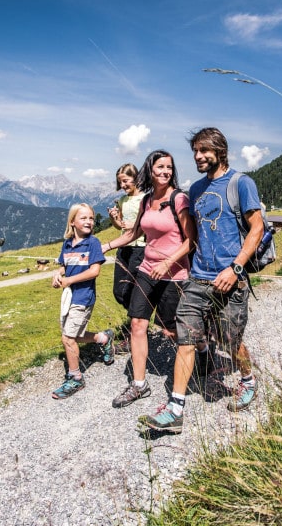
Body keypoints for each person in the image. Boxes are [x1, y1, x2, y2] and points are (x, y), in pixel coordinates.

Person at [139, 127, 264, 433]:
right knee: (186, 339)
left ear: (220, 150)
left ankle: (247, 380)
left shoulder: (240, 183)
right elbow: (193, 235)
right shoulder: (194, 190)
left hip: (230, 280)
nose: (198, 156)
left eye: (204, 150)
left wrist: (235, 269)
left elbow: (257, 228)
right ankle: (175, 408)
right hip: (198, 278)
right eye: (195, 151)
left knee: (229, 340)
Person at [101, 150, 196, 408]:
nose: (165, 171)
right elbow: (133, 234)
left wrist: (168, 261)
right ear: (150, 170)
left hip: (173, 275)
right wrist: (106, 246)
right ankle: (139, 385)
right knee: (137, 325)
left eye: (169, 167)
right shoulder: (146, 201)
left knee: (170, 330)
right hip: (146, 269)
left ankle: (200, 351)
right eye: (160, 167)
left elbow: (191, 239)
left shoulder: (179, 199)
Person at [51, 203, 115, 399]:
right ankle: (103, 338)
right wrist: (57, 273)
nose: (88, 221)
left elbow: (94, 270)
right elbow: (65, 265)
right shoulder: (67, 243)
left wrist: (69, 280)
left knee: (68, 338)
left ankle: (76, 378)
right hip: (69, 297)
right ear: (72, 222)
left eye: (91, 218)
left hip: (83, 297)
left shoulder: (93, 243)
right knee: (73, 335)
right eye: (83, 218)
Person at [107, 163, 146, 352]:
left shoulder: (145, 199)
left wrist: (134, 224)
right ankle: (138, 322)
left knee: (133, 290)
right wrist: (114, 218)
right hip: (124, 248)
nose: (122, 185)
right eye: (120, 182)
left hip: (140, 249)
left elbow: (146, 224)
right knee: (120, 291)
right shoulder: (122, 200)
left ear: (136, 178)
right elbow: (120, 226)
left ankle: (135, 331)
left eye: (125, 180)